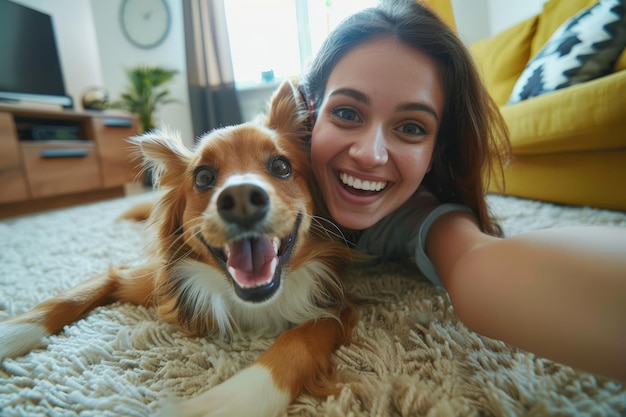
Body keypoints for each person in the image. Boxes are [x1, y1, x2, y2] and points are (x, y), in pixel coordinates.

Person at [296, 0, 626, 382]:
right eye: (348, 113)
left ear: (436, 152)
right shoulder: (266, 169)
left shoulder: (413, 212)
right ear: (311, 111)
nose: (370, 155)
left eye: (411, 128)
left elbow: (475, 257)